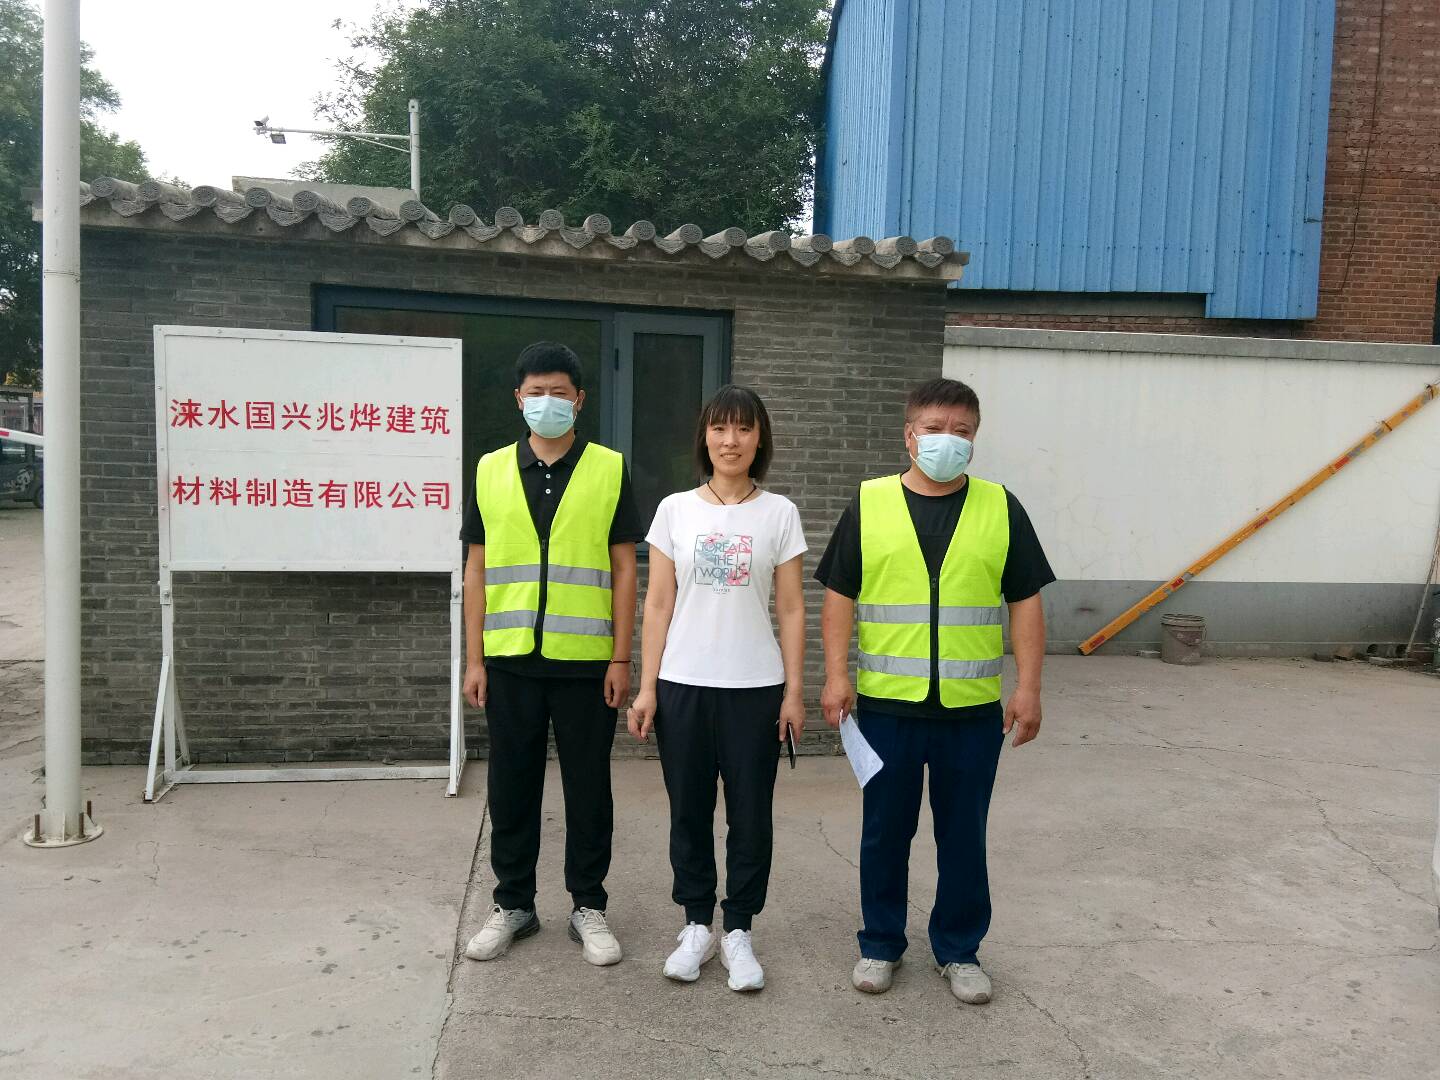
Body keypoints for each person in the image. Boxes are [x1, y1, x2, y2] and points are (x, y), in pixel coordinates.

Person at [816, 377, 1054, 1004]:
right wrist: (836, 675)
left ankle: (959, 949)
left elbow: (1025, 601)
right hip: (886, 707)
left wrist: (1029, 688)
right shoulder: (869, 503)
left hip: (970, 712)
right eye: (934, 428)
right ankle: (879, 943)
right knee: (884, 833)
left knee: (963, 835)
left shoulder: (1001, 507)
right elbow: (839, 594)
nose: (948, 440)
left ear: (975, 438)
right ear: (909, 435)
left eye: (961, 431)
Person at [460, 342, 642, 967]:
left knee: (589, 789)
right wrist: (475, 659)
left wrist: (621, 658)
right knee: (511, 787)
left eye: (559, 393)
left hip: (586, 663)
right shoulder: (489, 470)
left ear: (579, 399)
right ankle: (513, 903)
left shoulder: (609, 468)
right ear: (518, 399)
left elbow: (625, 567)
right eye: (536, 392)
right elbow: (477, 568)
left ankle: (588, 905)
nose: (547, 402)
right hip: (509, 659)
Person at [627, 385, 807, 992]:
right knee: (689, 810)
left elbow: (791, 607)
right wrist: (647, 687)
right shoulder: (675, 510)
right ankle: (697, 925)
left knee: (751, 814)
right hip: (683, 684)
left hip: (755, 687)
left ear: (760, 439)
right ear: (704, 437)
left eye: (743, 429)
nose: (731, 441)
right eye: (719, 428)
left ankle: (739, 931)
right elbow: (657, 603)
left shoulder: (779, 513)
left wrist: (793, 692)